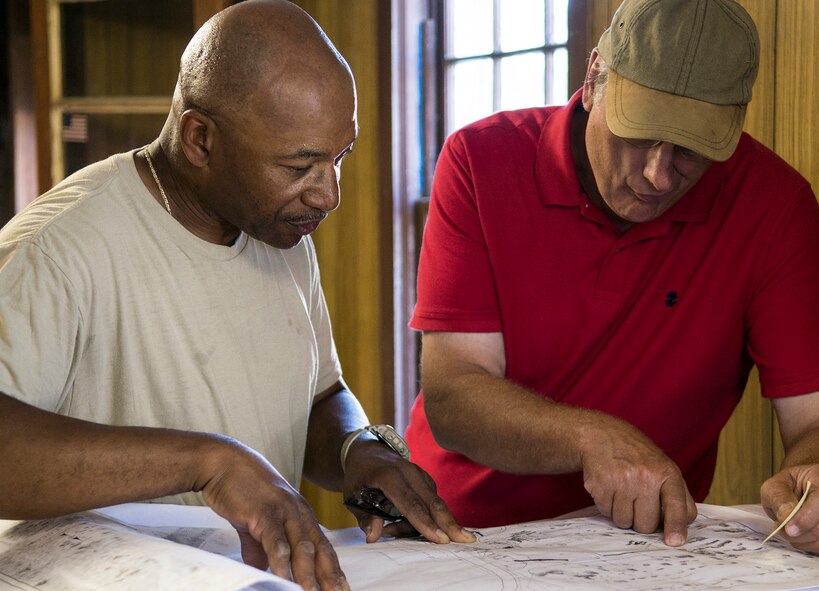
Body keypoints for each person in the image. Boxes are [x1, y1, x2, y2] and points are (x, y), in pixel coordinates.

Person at [0, 1, 474, 589]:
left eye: (339, 156)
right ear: (200, 138)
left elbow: (319, 395)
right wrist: (209, 463)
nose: (329, 194)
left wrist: (358, 450)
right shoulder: (56, 248)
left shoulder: (279, 231)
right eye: (300, 165)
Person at [405, 0, 819, 557]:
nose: (657, 175)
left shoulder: (774, 206)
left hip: (644, 549)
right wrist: (593, 439)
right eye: (638, 134)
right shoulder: (479, 161)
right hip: (457, 535)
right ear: (592, 79)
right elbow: (453, 397)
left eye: (691, 151)